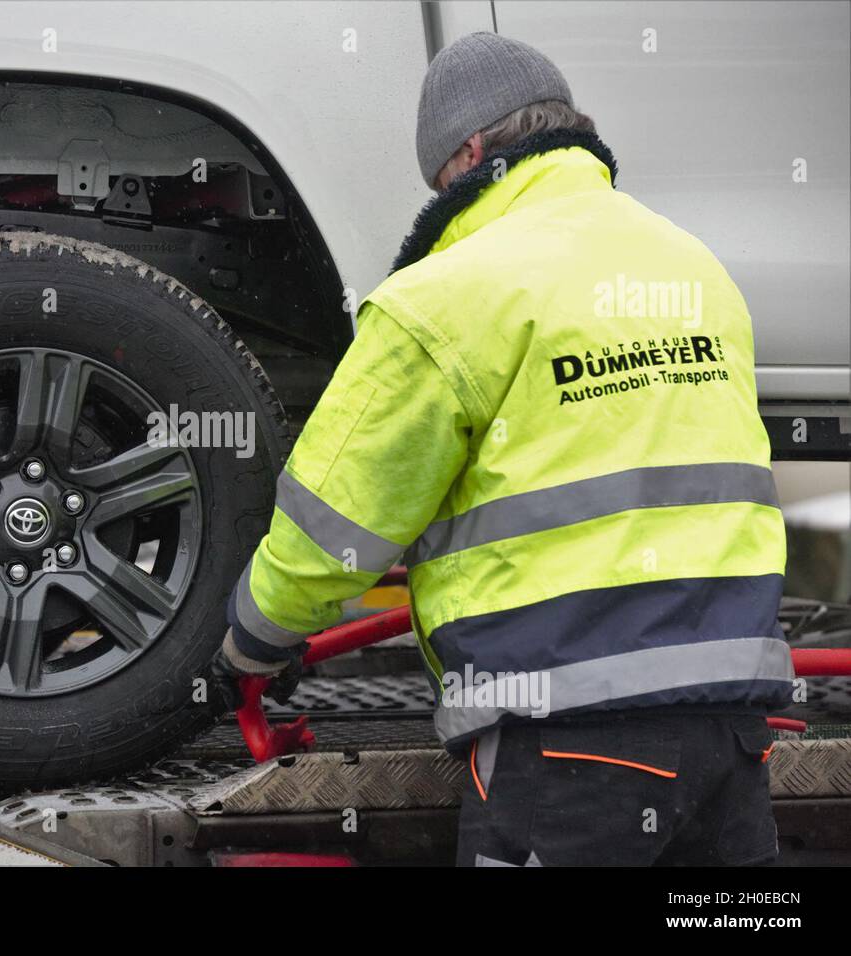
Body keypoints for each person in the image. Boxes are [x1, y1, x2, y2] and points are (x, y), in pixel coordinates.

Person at [211, 32, 792, 866]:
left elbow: (331, 528)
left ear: (472, 153)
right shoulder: (693, 268)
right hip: (732, 733)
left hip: (567, 742)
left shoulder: (448, 294)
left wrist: (251, 641)